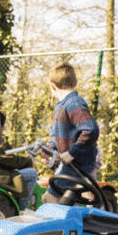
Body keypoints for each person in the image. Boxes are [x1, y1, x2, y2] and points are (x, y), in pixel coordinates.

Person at [42, 63, 100, 204]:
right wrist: (49, 152)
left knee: (49, 198)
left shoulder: (74, 104)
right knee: (68, 200)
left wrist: (72, 152)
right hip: (71, 163)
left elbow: (91, 129)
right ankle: (72, 223)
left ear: (52, 86)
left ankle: (60, 226)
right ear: (75, 82)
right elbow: (57, 135)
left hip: (79, 163)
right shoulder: (61, 106)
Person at [0, 112, 38, 211]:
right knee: (32, 174)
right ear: (1, 125)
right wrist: (28, 161)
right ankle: (21, 209)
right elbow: (7, 159)